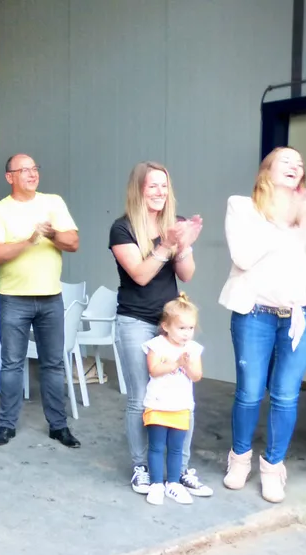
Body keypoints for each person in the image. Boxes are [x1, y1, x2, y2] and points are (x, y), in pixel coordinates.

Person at [220, 146, 306, 503]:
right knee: (249, 392)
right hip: (255, 313)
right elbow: (243, 257)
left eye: (300, 163)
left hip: (303, 315)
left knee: (286, 394)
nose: (296, 166)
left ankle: (273, 467)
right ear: (267, 170)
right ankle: (239, 458)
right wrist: (281, 218)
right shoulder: (243, 207)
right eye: (286, 161)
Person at [109, 161, 211, 497]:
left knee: (182, 396)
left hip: (170, 325)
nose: (159, 192)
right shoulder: (122, 228)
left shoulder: (174, 224)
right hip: (135, 321)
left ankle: (179, 470)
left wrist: (185, 245)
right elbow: (140, 275)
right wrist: (166, 245)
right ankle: (142, 467)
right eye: (152, 185)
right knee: (142, 398)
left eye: (164, 186)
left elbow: (187, 274)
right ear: (138, 189)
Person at [0, 153, 80, 448]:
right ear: (9, 177)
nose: (32, 174)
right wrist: (28, 241)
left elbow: (73, 242)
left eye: (34, 168)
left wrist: (50, 233)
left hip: (51, 297)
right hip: (14, 298)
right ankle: (6, 425)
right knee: (12, 364)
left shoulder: (54, 202)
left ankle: (58, 426)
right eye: (24, 170)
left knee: (53, 364)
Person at [140, 294, 204, 506]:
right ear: (166, 326)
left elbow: (197, 375)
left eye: (190, 328)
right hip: (157, 404)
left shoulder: (193, 349)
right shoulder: (156, 345)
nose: (187, 333)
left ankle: (174, 483)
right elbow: (154, 370)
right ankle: (156, 483)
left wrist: (187, 364)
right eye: (181, 328)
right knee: (156, 447)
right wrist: (176, 363)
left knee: (176, 448)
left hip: (181, 406)